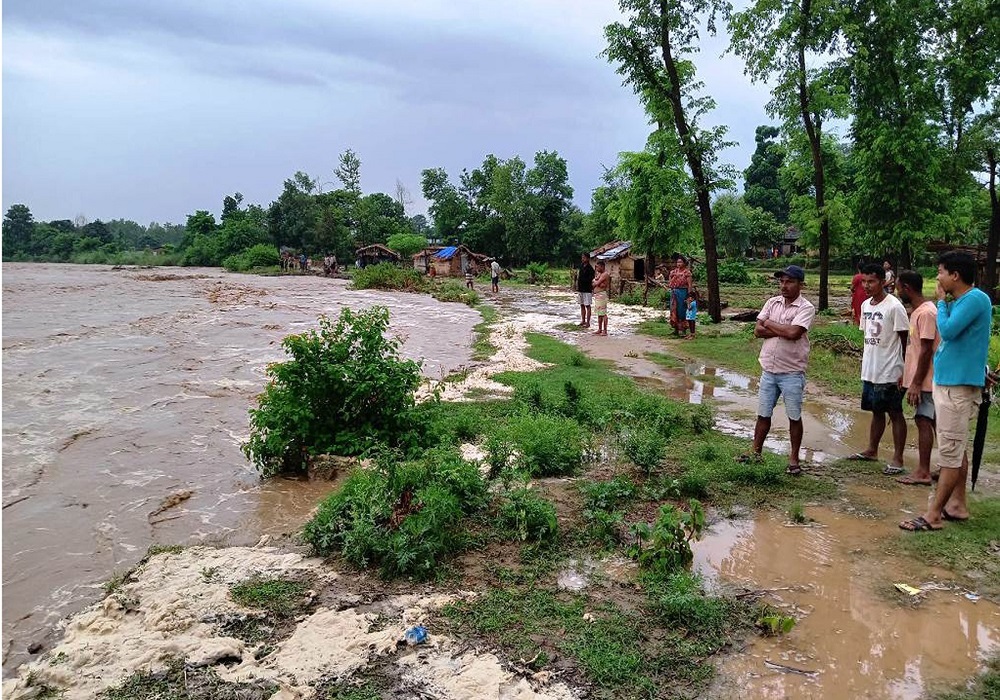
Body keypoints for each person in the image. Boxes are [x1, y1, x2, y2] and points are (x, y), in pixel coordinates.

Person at [900, 252, 993, 531]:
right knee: (955, 448)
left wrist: (940, 302)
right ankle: (957, 505)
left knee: (950, 453)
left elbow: (949, 332)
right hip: (951, 382)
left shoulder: (975, 299)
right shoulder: (962, 301)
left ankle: (933, 515)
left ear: (955, 275)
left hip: (956, 387)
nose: (937, 278)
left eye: (940, 272)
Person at [739, 265, 816, 474]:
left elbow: (794, 333)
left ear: (801, 284)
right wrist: (782, 329)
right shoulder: (772, 302)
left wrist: (771, 324)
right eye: (781, 281)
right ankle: (756, 452)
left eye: (789, 281)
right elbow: (757, 330)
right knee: (763, 414)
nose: (784, 286)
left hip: (791, 371)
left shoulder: (806, 308)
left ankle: (793, 458)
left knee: (794, 416)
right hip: (769, 369)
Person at [847, 263, 909, 474]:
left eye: (871, 281)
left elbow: (904, 340)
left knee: (895, 412)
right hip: (871, 368)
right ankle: (872, 450)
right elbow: (868, 337)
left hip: (890, 369)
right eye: (864, 281)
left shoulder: (894, 306)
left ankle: (898, 458)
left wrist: (904, 370)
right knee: (876, 410)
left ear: (883, 282)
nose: (867, 285)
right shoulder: (866, 306)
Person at [896, 270, 939, 486]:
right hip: (921, 378)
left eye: (897, 287)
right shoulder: (918, 311)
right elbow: (914, 349)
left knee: (924, 421)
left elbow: (926, 350)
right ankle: (945, 467)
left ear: (907, 288)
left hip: (928, 380)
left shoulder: (926, 313)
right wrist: (906, 373)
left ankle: (923, 471)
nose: (896, 291)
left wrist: (915, 383)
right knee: (933, 423)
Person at [668, 256, 693, 337]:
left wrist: (689, 295)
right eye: (678, 262)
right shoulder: (673, 272)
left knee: (682, 310)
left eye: (680, 262)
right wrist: (672, 277)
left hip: (683, 293)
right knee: (673, 310)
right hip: (674, 292)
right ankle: (675, 329)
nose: (679, 264)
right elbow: (670, 283)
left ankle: (683, 330)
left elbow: (689, 285)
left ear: (684, 263)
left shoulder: (687, 273)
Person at [577, 252, 595, 328]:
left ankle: (588, 322)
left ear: (588, 258)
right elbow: (579, 277)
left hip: (587, 289)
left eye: (584, 257)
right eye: (582, 257)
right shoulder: (581, 266)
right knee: (582, 305)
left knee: (587, 305)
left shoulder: (590, 269)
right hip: (581, 289)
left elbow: (590, 279)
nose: (582, 259)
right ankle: (583, 320)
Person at [593, 260, 610, 336]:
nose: (597, 268)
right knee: (599, 313)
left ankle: (605, 330)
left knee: (603, 313)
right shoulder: (600, 274)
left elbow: (596, 283)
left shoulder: (604, 274)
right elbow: (593, 282)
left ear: (602, 266)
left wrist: (597, 282)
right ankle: (600, 329)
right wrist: (596, 282)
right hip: (598, 295)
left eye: (598, 266)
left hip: (601, 295)